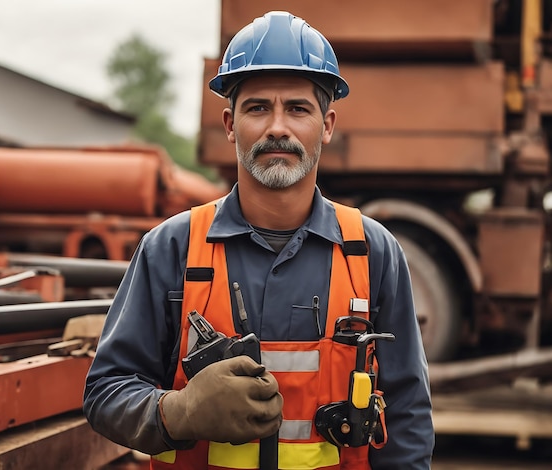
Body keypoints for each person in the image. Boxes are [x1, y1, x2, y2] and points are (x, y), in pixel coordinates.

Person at [84, 10, 434, 470]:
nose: (277, 127)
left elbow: (407, 416)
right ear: (230, 124)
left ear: (326, 125)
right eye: (257, 108)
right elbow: (106, 392)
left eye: (297, 108)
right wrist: (180, 412)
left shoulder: (372, 253)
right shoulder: (170, 248)